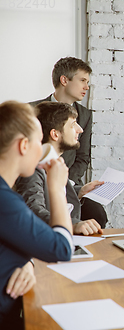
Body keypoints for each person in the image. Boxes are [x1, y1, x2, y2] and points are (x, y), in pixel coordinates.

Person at [0, 101, 74, 328]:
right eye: (38, 141)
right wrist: (57, 189)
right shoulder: (4, 200)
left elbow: (14, 238)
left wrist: (28, 262)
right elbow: (62, 248)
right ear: (23, 145)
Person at [30, 57, 107, 227]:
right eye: (82, 81)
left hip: (69, 182)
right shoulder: (31, 111)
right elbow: (35, 208)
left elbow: (82, 156)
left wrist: (71, 186)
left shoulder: (85, 115)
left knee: (97, 214)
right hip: (44, 181)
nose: (87, 87)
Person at [16, 102, 104, 236]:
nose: (80, 129)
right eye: (73, 124)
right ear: (55, 134)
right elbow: (33, 210)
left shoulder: (53, 163)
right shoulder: (33, 169)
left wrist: (80, 191)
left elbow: (46, 191)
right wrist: (72, 224)